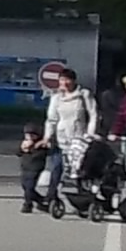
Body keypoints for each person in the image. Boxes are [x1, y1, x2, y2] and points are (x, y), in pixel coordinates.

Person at [40, 66, 97, 211]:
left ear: (73, 81)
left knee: (77, 170)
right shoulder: (56, 98)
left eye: (67, 80)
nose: (64, 83)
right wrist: (47, 137)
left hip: (79, 139)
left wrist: (90, 133)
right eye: (61, 80)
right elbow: (51, 119)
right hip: (61, 139)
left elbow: (93, 114)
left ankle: (82, 199)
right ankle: (51, 197)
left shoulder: (83, 95)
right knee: (57, 168)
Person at [17, 125, 55, 216]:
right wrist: (22, 148)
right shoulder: (25, 143)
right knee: (25, 186)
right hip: (25, 168)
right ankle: (40, 200)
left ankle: (28, 204)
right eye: (27, 135)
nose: (29, 137)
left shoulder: (40, 145)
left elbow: (40, 156)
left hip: (35, 168)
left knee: (29, 187)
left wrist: (32, 148)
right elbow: (18, 153)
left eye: (32, 135)